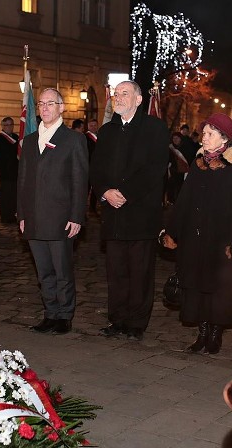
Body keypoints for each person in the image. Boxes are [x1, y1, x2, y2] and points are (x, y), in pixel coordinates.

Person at [161, 113, 232, 354]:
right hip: (195, 237)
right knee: (196, 285)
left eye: (209, 133)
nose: (204, 137)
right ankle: (202, 331)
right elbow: (184, 201)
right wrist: (172, 231)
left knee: (218, 288)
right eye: (203, 133)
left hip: (221, 240)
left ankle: (215, 334)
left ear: (224, 138)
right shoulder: (198, 163)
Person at [90, 80, 170, 340]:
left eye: (125, 93)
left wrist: (125, 193)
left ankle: (137, 323)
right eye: (116, 94)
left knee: (140, 271)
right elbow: (96, 169)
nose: (118, 98)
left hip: (140, 212)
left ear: (138, 99)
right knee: (116, 271)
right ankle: (118, 319)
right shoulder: (107, 131)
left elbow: (155, 169)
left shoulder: (154, 128)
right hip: (113, 214)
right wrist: (104, 191)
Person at [17, 88, 88, 335]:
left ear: (61, 107)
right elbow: (23, 180)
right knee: (44, 271)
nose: (45, 108)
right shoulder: (29, 140)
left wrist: (77, 216)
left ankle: (64, 316)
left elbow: (80, 181)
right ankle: (50, 313)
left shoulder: (74, 140)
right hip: (34, 218)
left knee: (62, 271)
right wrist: (22, 215)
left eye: (51, 103)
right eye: (41, 104)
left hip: (60, 217)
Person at [0, 116, 19, 224]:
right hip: (5, 171)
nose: (10, 127)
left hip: (15, 171)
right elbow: (0, 156)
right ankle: (5, 216)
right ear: (3, 126)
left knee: (14, 195)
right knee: (5, 195)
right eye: (7, 125)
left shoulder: (16, 137)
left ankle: (12, 214)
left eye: (11, 125)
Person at [166, 131, 189, 204]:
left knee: (180, 187)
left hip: (182, 171)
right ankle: (171, 201)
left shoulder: (185, 148)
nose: (175, 139)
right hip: (172, 170)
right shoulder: (169, 148)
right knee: (171, 186)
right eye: (174, 138)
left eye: (177, 138)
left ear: (180, 139)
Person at [85, 119, 99, 213]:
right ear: (88, 126)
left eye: (95, 125)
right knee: (86, 189)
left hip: (97, 168)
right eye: (91, 125)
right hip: (88, 167)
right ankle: (82, 210)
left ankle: (92, 208)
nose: (93, 127)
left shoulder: (100, 136)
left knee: (96, 189)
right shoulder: (85, 137)